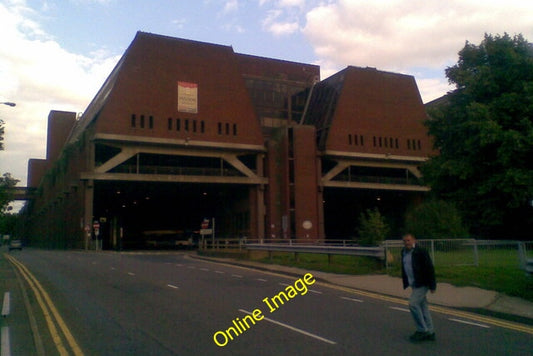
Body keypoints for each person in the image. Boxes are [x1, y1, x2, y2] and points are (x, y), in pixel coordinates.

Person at [401, 233, 436, 342]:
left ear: (414, 241)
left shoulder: (421, 251)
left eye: (409, 240)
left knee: (413, 304)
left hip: (422, 283)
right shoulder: (403, 252)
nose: (407, 243)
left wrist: (432, 285)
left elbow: (429, 268)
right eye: (405, 241)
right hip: (413, 284)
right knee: (423, 307)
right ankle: (430, 332)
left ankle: (422, 330)